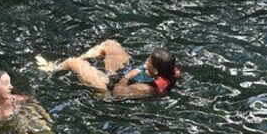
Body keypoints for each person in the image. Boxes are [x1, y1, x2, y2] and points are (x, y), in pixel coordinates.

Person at [35, 40, 180, 98]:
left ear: (155, 70)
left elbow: (118, 93)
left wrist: (127, 77)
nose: (146, 60)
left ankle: (52, 69)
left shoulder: (146, 88)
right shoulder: (168, 70)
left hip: (107, 87)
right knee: (110, 44)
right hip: (119, 74)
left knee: (72, 62)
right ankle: (84, 59)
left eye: (148, 60)